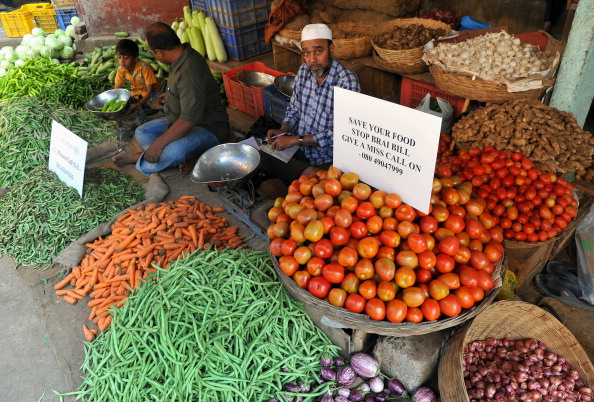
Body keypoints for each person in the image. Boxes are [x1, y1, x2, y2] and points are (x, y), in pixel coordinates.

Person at [113, 22, 230, 175]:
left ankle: (143, 156)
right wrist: (172, 96)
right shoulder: (182, 56)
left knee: (161, 158)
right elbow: (189, 92)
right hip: (178, 119)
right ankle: (186, 154)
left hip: (206, 126)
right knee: (142, 132)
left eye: (152, 52)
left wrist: (157, 146)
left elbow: (189, 120)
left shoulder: (190, 72)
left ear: (159, 52)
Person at [258, 23, 361, 198]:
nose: (312, 59)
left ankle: (309, 176)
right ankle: (305, 178)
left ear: (331, 49)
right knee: (258, 153)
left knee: (270, 179)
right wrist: (283, 130)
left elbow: (345, 133)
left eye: (318, 51)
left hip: (328, 158)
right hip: (300, 152)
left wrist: (295, 139)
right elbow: (295, 108)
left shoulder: (347, 81)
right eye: (306, 52)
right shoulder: (303, 71)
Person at [114, 38, 159, 116]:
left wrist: (138, 105)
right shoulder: (121, 70)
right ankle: (137, 110)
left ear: (135, 58)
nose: (122, 62)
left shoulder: (144, 68)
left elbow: (150, 90)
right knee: (125, 101)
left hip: (149, 94)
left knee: (156, 101)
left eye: (126, 58)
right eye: (119, 57)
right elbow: (116, 89)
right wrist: (115, 102)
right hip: (135, 94)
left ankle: (142, 110)